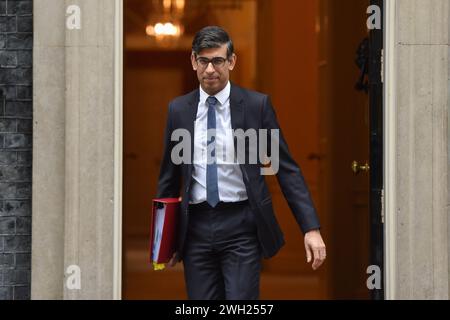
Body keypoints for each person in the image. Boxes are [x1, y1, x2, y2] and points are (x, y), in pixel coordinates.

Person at [156, 26, 326, 300]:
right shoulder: (178, 110)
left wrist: (310, 228)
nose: (210, 69)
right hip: (196, 229)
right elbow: (169, 177)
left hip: (241, 227)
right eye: (203, 60)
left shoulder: (256, 107)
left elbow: (285, 169)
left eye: (218, 61)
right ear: (193, 61)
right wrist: (164, 240)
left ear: (232, 61)